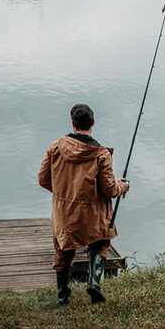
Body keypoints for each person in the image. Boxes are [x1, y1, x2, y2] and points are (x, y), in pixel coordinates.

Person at [38, 104, 129, 305]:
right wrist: (121, 187)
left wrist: (64, 193)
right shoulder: (101, 154)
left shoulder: (55, 147)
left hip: (64, 212)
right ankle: (93, 284)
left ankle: (63, 295)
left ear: (73, 123)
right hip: (93, 214)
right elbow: (110, 190)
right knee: (101, 244)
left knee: (63, 250)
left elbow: (43, 179)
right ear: (93, 123)